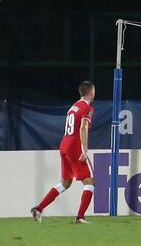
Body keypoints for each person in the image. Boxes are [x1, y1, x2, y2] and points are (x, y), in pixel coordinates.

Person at [32, 80, 97, 224]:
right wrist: (84, 150)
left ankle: (39, 208)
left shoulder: (72, 107)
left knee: (65, 183)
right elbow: (83, 127)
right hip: (75, 146)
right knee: (90, 182)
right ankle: (80, 217)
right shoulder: (87, 108)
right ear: (92, 93)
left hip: (64, 145)